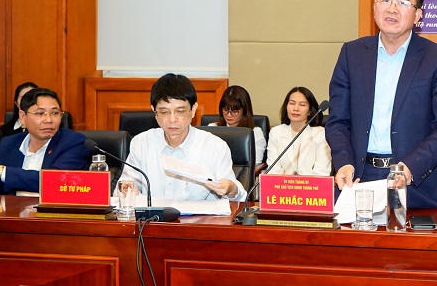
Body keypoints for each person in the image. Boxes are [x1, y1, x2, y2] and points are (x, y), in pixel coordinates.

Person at [325, 0, 437, 208]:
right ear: (375, 7)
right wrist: (344, 161)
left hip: (413, 183)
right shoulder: (351, 54)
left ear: (418, 15)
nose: (392, 8)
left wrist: (411, 167)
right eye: (385, 0)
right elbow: (337, 121)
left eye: (403, 2)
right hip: (358, 178)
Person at [119, 73, 246, 201]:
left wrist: (231, 189)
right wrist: (126, 190)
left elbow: (238, 197)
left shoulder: (215, 147)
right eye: (164, 112)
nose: (172, 119)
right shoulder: (141, 143)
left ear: (193, 110)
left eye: (180, 111)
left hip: (199, 215)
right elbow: (124, 188)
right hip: (153, 214)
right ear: (154, 112)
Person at [0, 88, 89, 193]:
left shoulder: (73, 143)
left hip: (53, 216)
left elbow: (55, 182)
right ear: (23, 117)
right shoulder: (9, 144)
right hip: (12, 215)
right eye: (40, 113)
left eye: (55, 113)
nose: (49, 120)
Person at [266, 86, 331, 176]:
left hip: (312, 184)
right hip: (281, 185)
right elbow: (273, 171)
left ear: (309, 111)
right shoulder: (276, 133)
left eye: (302, 105)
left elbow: (322, 172)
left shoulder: (320, 134)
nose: (296, 108)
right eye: (292, 103)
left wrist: (300, 183)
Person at [209, 85, 266, 169]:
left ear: (245, 111)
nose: (229, 115)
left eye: (234, 111)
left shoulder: (255, 133)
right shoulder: (212, 128)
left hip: (243, 175)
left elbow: (255, 164)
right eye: (225, 110)